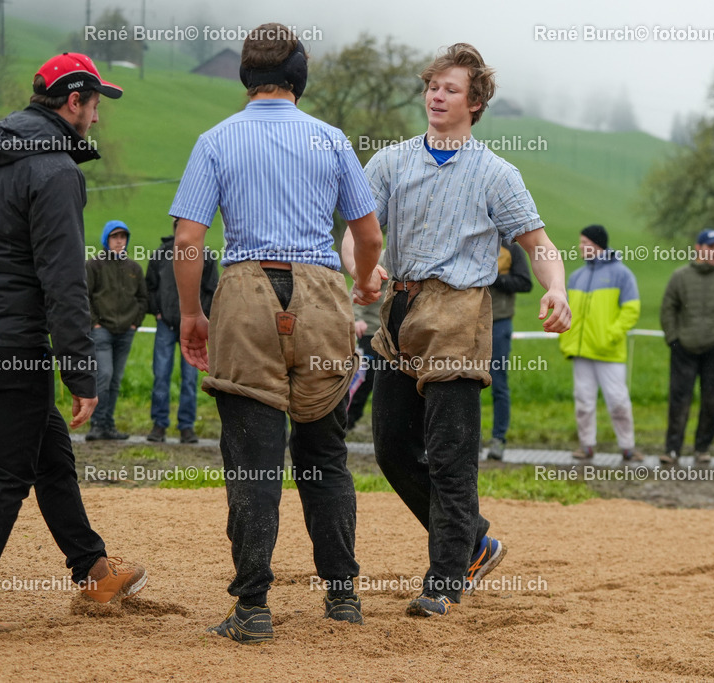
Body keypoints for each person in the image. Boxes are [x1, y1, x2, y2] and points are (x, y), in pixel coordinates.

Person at [171, 23, 384, 643]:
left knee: (252, 461)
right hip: (320, 296)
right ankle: (342, 596)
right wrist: (365, 283)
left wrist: (192, 314)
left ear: (245, 76)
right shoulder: (333, 140)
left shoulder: (215, 140)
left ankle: (253, 608)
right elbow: (368, 237)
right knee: (324, 456)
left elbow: (188, 239)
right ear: (300, 78)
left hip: (244, 293)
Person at [343, 43, 571, 618]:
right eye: (431, 86)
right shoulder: (390, 162)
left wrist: (556, 288)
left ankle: (442, 583)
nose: (436, 96)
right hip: (398, 312)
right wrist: (365, 270)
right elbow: (355, 234)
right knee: (392, 449)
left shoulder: (497, 172)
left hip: (460, 316)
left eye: (449, 89)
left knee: (450, 455)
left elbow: (538, 244)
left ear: (474, 102)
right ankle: (475, 540)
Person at [0, 53, 146, 638]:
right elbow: (64, 281)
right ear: (73, 101)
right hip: (13, 340)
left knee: (49, 454)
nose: (97, 118)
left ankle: (94, 569)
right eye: (96, 103)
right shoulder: (55, 171)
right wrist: (82, 373)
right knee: (7, 472)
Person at [659, 228, 714, 465]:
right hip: (684, 348)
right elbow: (668, 308)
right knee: (679, 400)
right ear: (698, 248)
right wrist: (673, 339)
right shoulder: (680, 277)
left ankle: (702, 448)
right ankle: (673, 449)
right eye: (710, 247)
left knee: (712, 400)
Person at [558, 225, 641, 463]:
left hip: (609, 352)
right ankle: (586, 446)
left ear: (597, 245)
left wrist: (611, 335)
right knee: (583, 402)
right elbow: (567, 311)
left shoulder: (622, 274)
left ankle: (627, 447)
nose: (580, 247)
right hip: (581, 352)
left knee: (618, 402)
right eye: (580, 243)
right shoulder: (576, 276)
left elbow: (631, 310)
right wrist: (567, 338)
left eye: (585, 243)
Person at [145, 219, 219, 444]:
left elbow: (212, 289)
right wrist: (157, 311)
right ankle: (159, 425)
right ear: (175, 229)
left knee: (189, 379)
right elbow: (149, 285)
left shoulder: (207, 256)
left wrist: (202, 315)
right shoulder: (161, 254)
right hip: (166, 325)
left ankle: (187, 427)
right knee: (161, 376)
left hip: (194, 328)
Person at [86, 220, 148, 440]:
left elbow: (143, 299)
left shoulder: (134, 268)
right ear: (106, 239)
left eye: (123, 237)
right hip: (101, 330)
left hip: (126, 332)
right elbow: (85, 296)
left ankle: (108, 425)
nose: (119, 241)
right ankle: (96, 424)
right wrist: (94, 322)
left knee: (116, 379)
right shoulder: (94, 265)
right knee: (104, 374)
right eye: (115, 237)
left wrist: (135, 323)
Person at [486, 242, 533, 460]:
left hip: (499, 323)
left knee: (498, 383)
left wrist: (495, 278)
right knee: (461, 380)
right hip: (467, 322)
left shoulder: (512, 249)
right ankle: (466, 438)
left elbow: (525, 282)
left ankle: (498, 439)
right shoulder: (468, 239)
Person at [346, 251, 386, 431]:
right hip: (370, 329)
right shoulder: (382, 259)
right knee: (364, 379)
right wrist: (357, 319)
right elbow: (357, 288)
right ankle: (346, 420)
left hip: (394, 331)